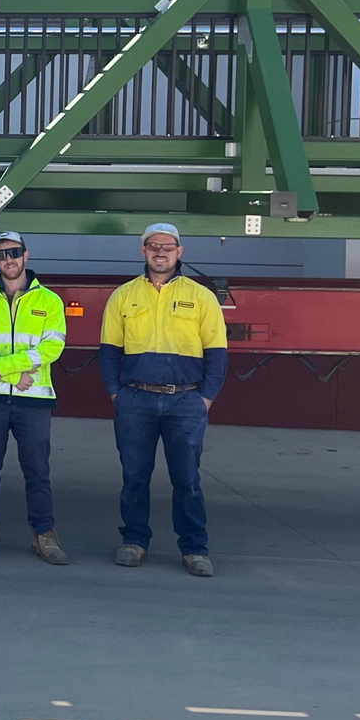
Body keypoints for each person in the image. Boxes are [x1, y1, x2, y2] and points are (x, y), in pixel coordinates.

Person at [99, 222, 228, 577]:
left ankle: (194, 548)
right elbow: (108, 351)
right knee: (134, 477)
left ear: (179, 252)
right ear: (143, 251)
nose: (160, 251)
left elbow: (217, 354)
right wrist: (117, 394)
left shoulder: (201, 296)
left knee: (187, 479)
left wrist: (205, 400)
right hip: (135, 401)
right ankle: (135, 542)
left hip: (185, 402)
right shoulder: (123, 296)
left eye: (167, 246)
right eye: (153, 245)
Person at [0, 232, 69, 564]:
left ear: (26, 255)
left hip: (33, 400)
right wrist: (13, 374)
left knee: (38, 470)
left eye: (14, 252)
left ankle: (44, 535)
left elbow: (52, 348)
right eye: (1, 254)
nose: (9, 259)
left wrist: (5, 367)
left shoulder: (50, 301)